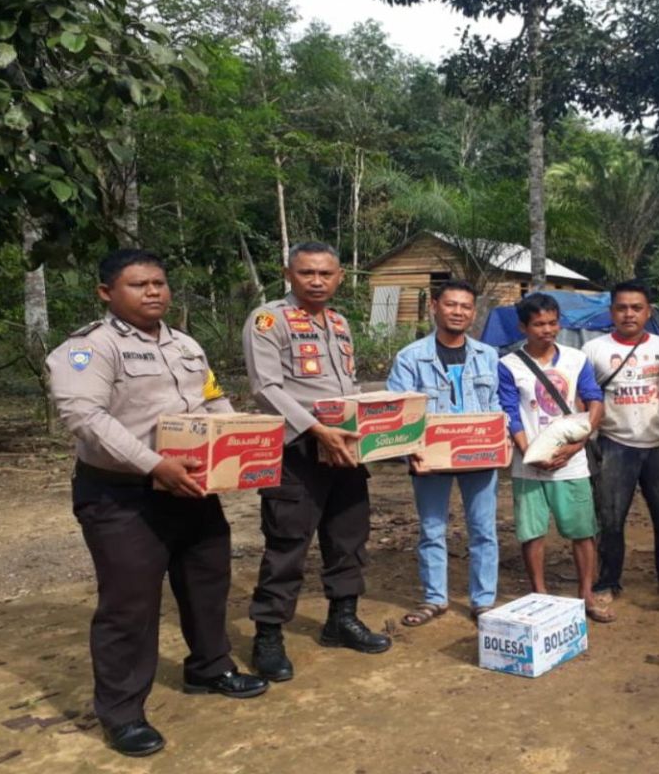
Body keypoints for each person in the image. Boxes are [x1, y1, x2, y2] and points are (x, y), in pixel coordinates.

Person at [46, 250, 268, 757]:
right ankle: (122, 713)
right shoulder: (88, 349)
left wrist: (236, 445)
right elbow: (86, 420)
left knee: (207, 582)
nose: (153, 292)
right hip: (123, 496)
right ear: (106, 293)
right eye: (138, 284)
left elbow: (212, 401)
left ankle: (210, 668)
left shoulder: (185, 344)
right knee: (130, 605)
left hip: (191, 486)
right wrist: (153, 465)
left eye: (160, 283)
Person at [243, 241, 391, 682]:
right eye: (307, 273)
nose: (317, 281)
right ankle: (268, 635)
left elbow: (347, 385)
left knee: (348, 537)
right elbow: (265, 388)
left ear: (340, 277)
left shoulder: (340, 322)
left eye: (326, 274)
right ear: (288, 275)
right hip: (298, 450)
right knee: (287, 543)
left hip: (343, 447)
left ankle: (341, 619)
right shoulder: (268, 320)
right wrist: (315, 430)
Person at [386, 279, 502, 626]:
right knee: (432, 529)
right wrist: (412, 453)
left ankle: (483, 600)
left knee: (483, 530)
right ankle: (435, 598)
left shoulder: (488, 355)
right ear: (435, 306)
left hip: (479, 459)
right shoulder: (411, 357)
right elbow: (398, 412)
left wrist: (500, 439)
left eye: (466, 306)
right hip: (429, 461)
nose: (458, 312)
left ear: (473, 312)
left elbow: (495, 404)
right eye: (451, 304)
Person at [497, 292, 612, 622]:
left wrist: (578, 444)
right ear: (523, 327)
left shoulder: (576, 359)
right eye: (538, 324)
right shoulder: (509, 365)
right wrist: (530, 453)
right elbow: (510, 414)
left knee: (582, 530)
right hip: (527, 466)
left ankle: (586, 595)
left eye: (552, 323)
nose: (547, 330)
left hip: (572, 463)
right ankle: (539, 593)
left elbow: (593, 401)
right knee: (532, 532)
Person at [582, 281, 659, 607]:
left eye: (636, 307)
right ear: (611, 311)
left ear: (649, 311)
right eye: (622, 307)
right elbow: (582, 399)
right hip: (614, 443)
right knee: (611, 517)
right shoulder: (593, 351)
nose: (629, 314)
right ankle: (607, 581)